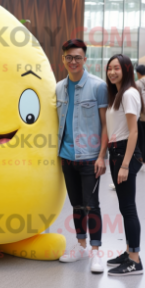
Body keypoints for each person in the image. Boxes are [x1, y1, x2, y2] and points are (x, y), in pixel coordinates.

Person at [56, 39, 108, 274]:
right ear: (64, 59)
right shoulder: (58, 88)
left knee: (92, 205)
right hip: (66, 157)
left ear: (85, 59)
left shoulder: (98, 86)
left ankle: (96, 252)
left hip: (90, 157)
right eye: (69, 57)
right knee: (76, 205)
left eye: (78, 57)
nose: (73, 61)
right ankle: (81, 246)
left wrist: (101, 156)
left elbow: (106, 124)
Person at [105, 54, 144, 276]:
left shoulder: (129, 94)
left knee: (128, 208)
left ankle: (135, 261)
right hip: (116, 151)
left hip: (124, 153)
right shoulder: (119, 94)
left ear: (126, 70)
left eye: (116, 68)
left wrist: (125, 164)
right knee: (124, 207)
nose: (112, 72)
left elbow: (134, 131)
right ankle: (129, 251)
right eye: (109, 68)